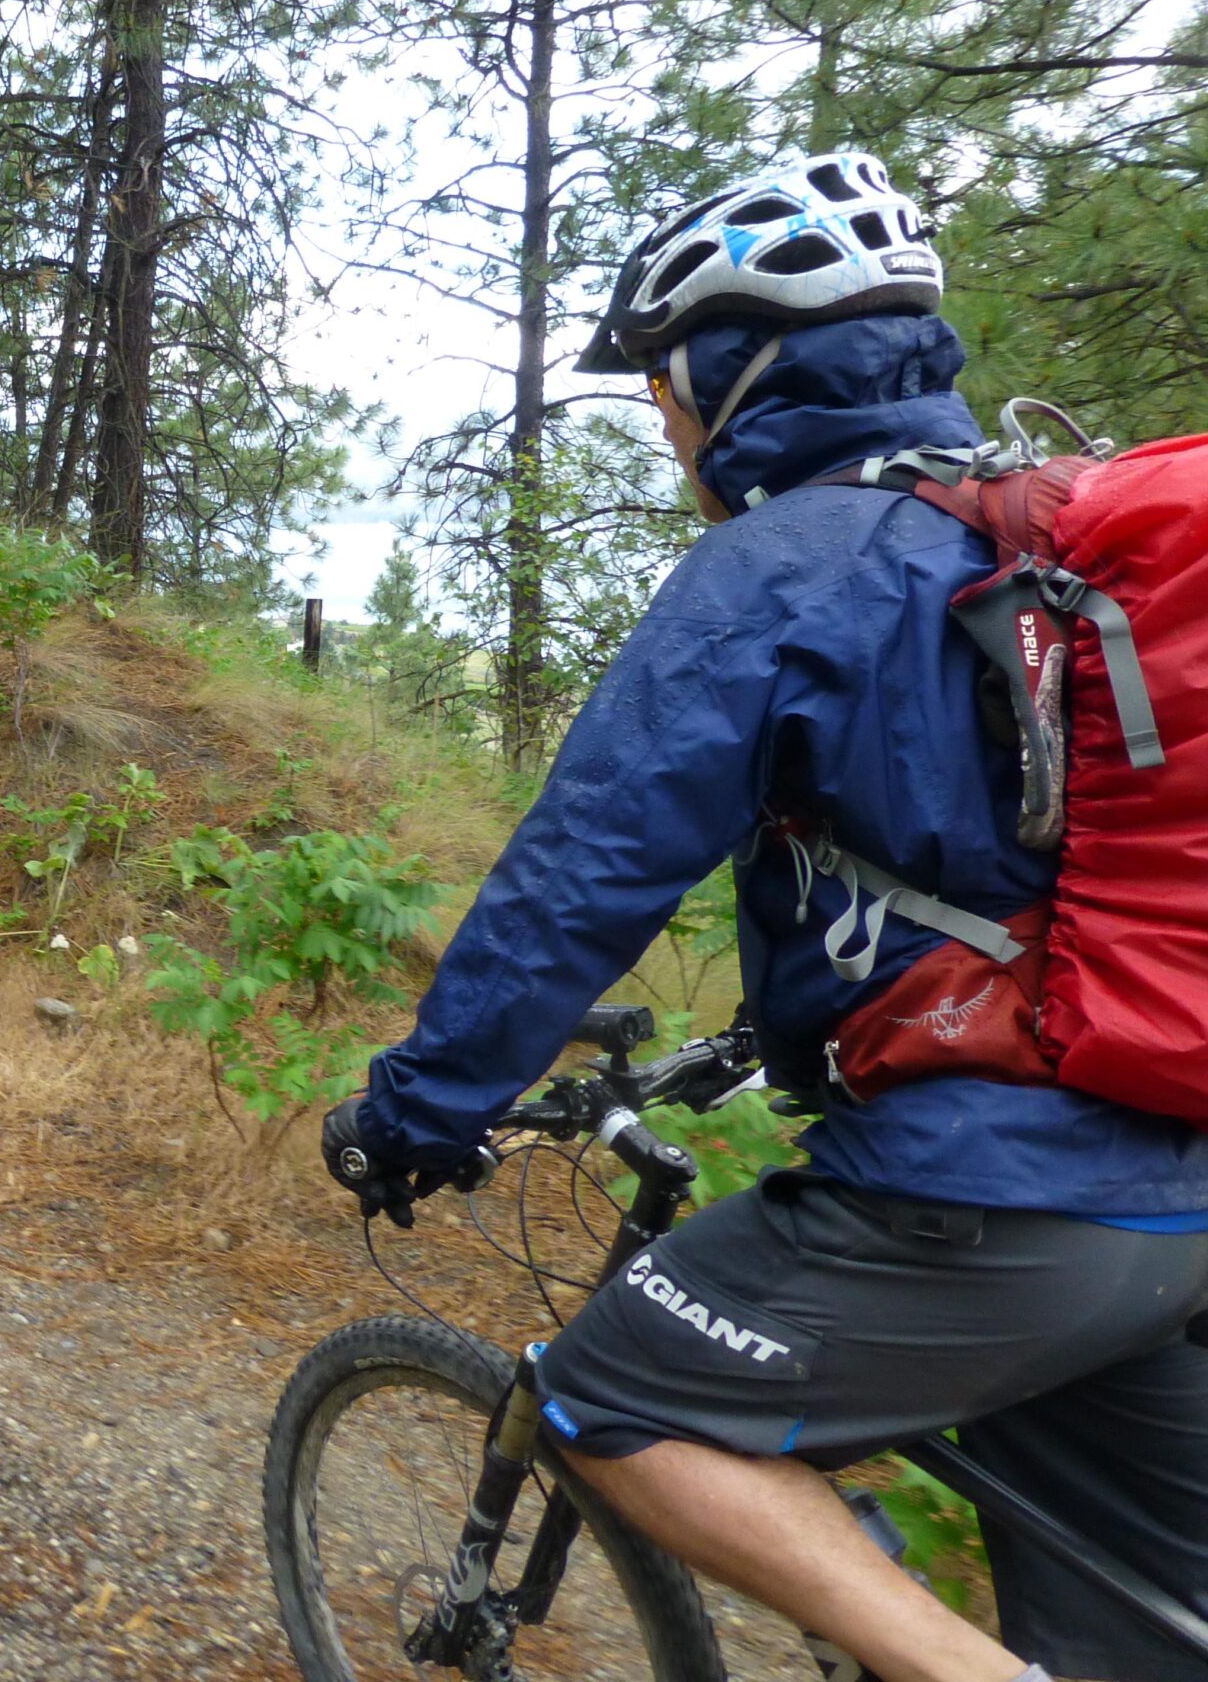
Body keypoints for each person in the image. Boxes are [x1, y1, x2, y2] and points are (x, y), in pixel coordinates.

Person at [321, 153, 1208, 1682]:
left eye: (669, 387)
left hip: (986, 1200)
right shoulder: (1023, 544)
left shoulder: (783, 565)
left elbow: (581, 876)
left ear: (741, 369)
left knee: (612, 1401)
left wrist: (418, 1111)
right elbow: (995, 884)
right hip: (1172, 1201)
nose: (668, 427)